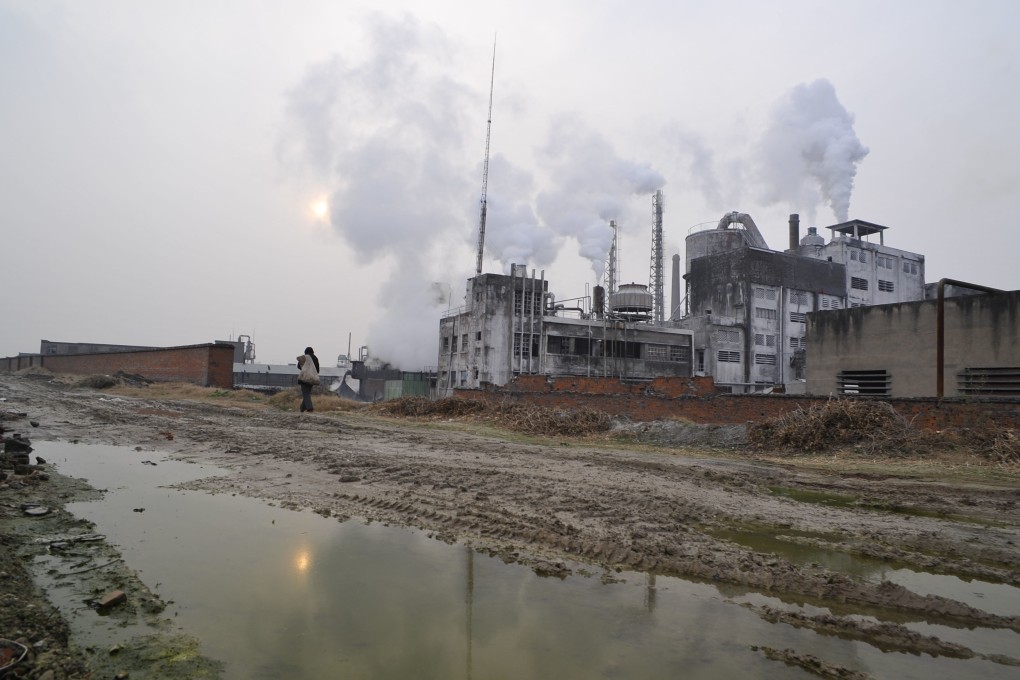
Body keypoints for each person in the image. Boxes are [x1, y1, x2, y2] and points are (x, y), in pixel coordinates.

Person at [296, 346, 320, 413]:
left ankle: (310, 408)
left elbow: (298, 366)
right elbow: (317, 370)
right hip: (312, 379)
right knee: (307, 394)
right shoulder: (315, 358)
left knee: (305, 394)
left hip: (304, 379)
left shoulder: (305, 357)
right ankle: (302, 409)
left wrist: (305, 369)